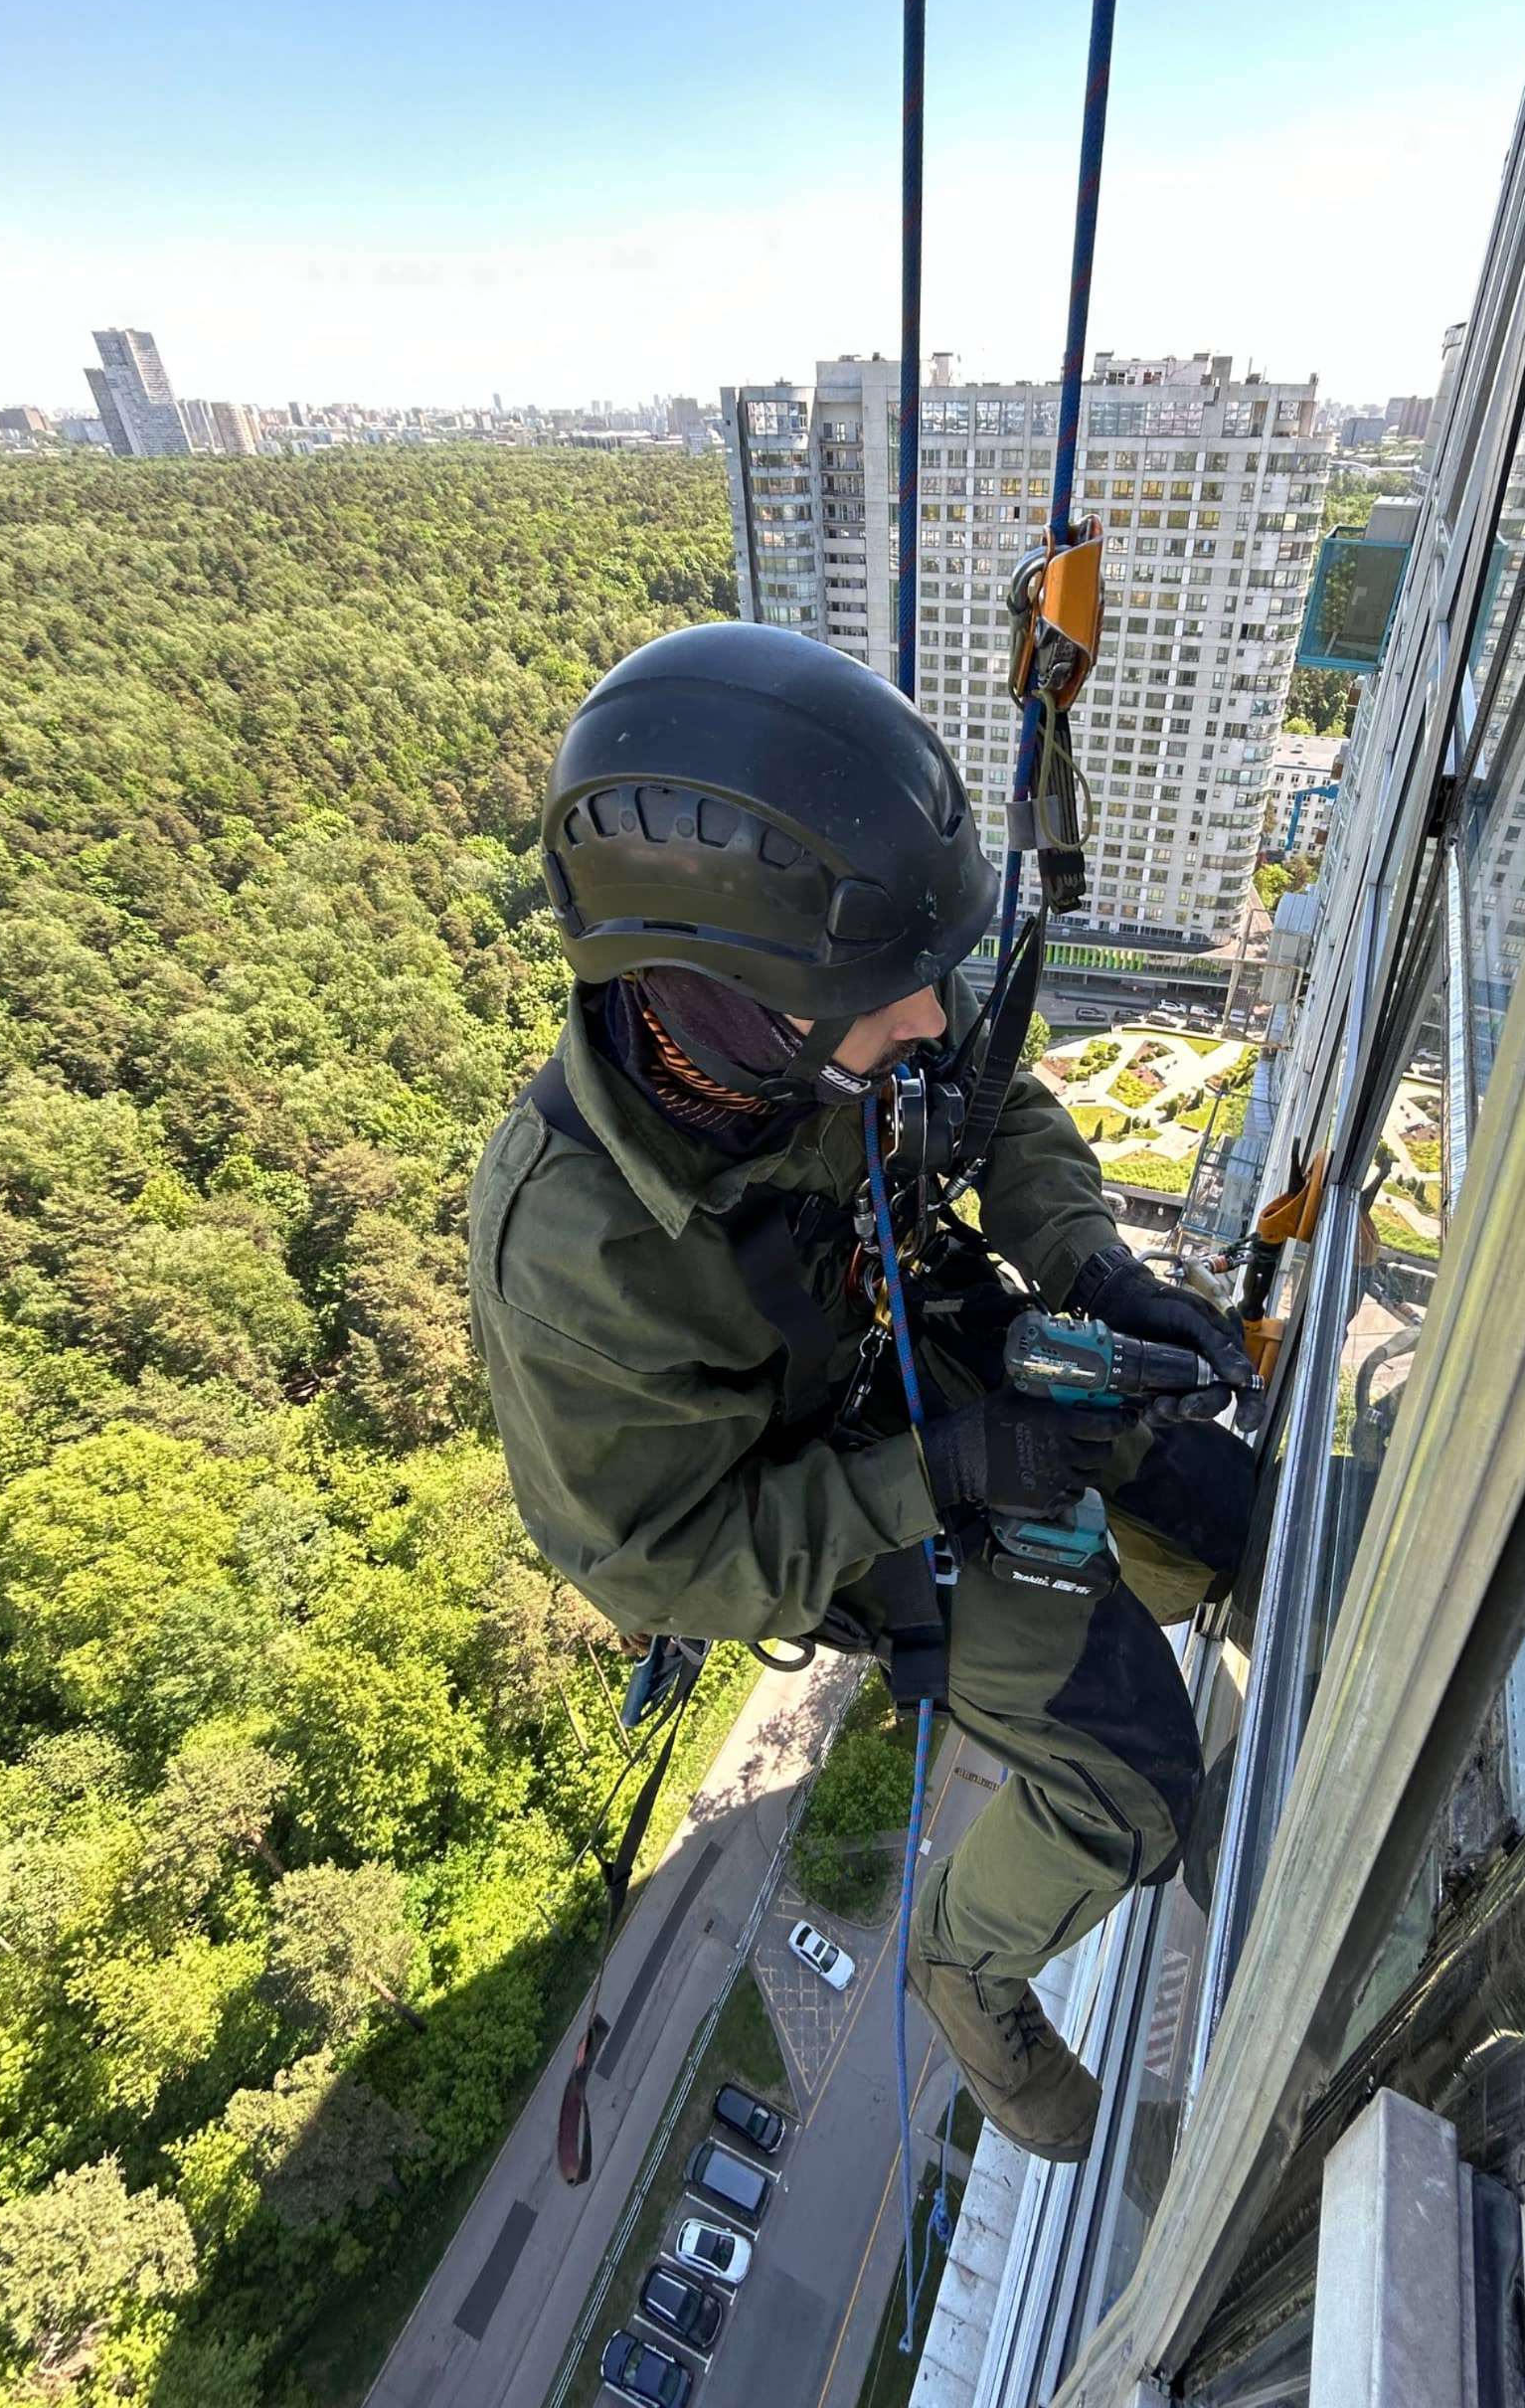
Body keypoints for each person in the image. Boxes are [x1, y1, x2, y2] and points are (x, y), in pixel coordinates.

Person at [468, 623, 1261, 2161]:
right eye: (894, 999)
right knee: (1132, 1773)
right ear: (728, 1006)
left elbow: (993, 1095)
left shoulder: (835, 999)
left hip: (932, 1357)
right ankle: (970, 1980)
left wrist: (1088, 1268)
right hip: (836, 1506)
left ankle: (1143, 1558)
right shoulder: (578, 1256)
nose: (928, 1016)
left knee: (1243, 1507)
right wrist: (948, 1475)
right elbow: (664, 1560)